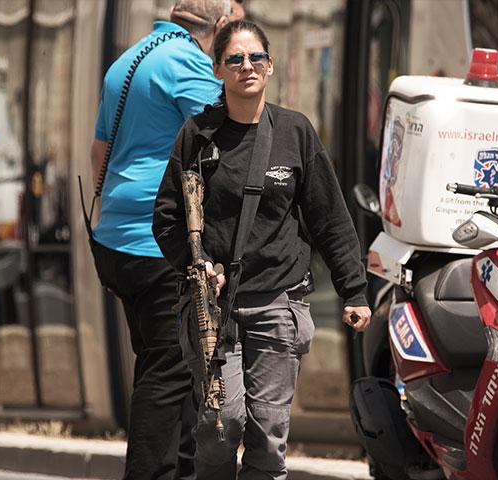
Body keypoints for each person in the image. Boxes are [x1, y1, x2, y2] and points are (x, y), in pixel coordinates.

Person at [152, 20, 371, 480]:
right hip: (214, 309)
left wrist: (354, 290)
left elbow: (329, 217)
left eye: (255, 58)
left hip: (279, 301)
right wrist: (197, 266)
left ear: (270, 67)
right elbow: (168, 218)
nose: (246, 66)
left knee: (268, 436)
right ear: (218, 70)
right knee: (220, 425)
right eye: (234, 59)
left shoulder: (296, 132)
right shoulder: (197, 136)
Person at [89, 1, 243, 479]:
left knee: (162, 365)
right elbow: (229, 138)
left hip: (115, 237)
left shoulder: (128, 59)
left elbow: (98, 153)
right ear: (219, 28)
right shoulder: (187, 64)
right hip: (155, 244)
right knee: (171, 368)